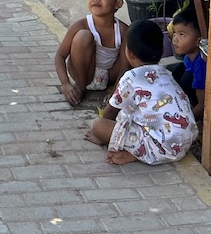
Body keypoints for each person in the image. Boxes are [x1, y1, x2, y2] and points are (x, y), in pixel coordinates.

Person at [84, 20, 198, 165]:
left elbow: (110, 112)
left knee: (98, 124)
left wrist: (101, 136)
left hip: (161, 145)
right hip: (183, 144)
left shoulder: (131, 77)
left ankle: (137, 153)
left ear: (129, 53)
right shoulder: (166, 74)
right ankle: (136, 154)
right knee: (130, 112)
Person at [54, 0, 128, 106]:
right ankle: (80, 87)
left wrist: (116, 89)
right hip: (85, 73)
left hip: (109, 76)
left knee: (132, 50)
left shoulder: (122, 30)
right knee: (83, 36)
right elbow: (59, 56)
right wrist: (65, 84)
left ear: (118, 3)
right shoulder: (81, 24)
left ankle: (114, 88)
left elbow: (124, 65)